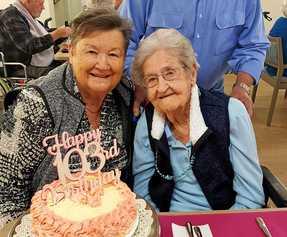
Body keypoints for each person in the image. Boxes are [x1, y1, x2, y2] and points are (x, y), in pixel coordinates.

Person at [0, 8, 134, 227]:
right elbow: (6, 191)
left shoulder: (125, 95)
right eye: (92, 52)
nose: (103, 64)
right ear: (71, 52)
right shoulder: (36, 103)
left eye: (113, 54)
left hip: (111, 225)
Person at [132, 29, 265, 212]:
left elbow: (250, 197)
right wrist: (159, 225)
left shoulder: (231, 113)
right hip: (166, 223)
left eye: (170, 73)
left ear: (192, 74)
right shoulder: (146, 124)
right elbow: (142, 193)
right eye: (152, 79)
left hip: (224, 221)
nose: (162, 87)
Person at [120, 0, 270, 117]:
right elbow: (123, 39)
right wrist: (140, 82)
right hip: (158, 95)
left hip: (211, 95)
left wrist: (242, 87)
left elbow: (253, 46)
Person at [0, 0, 71, 79]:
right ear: (26, 1)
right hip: (20, 68)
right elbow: (28, 46)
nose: (43, 8)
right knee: (63, 75)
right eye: (41, 3)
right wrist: (57, 34)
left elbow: (45, 35)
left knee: (70, 66)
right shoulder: (10, 16)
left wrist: (64, 33)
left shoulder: (26, 16)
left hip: (33, 64)